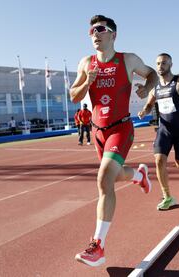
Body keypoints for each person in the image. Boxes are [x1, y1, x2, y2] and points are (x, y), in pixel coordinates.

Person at [70, 15, 158, 267]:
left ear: (113, 35)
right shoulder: (86, 63)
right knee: (113, 175)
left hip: (120, 128)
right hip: (98, 131)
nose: (94, 34)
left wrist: (145, 88)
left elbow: (150, 74)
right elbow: (74, 96)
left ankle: (98, 246)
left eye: (100, 30)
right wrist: (88, 81)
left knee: (103, 179)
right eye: (91, 31)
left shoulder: (128, 59)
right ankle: (139, 176)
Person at [138, 53, 179, 210]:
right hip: (164, 130)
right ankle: (167, 197)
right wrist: (144, 112)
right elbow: (149, 105)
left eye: (164, 63)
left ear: (170, 64)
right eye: (158, 63)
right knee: (159, 160)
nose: (160, 66)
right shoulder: (155, 88)